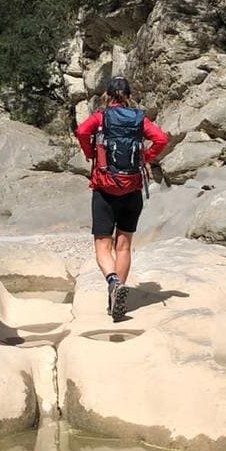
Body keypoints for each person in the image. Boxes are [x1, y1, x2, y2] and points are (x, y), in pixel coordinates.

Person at [74, 77, 168, 320]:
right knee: (123, 245)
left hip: (104, 189)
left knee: (102, 246)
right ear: (128, 95)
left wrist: (89, 152)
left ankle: (113, 282)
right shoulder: (138, 119)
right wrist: (145, 158)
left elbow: (82, 131)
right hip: (132, 190)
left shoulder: (100, 117)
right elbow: (161, 139)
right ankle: (118, 296)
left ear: (107, 95)